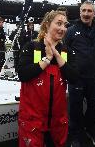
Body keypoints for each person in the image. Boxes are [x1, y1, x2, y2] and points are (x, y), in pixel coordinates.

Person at [17, 10, 78, 147]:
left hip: (57, 120)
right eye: (59, 23)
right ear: (47, 25)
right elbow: (23, 74)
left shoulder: (66, 51)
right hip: (33, 119)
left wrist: (57, 56)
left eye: (65, 25)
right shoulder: (31, 47)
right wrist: (47, 59)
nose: (63, 28)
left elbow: (74, 78)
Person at [65, 0, 95, 147]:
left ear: (94, 14)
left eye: (89, 11)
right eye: (83, 10)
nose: (86, 14)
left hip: (94, 78)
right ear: (80, 12)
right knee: (75, 109)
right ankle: (75, 136)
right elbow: (65, 52)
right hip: (76, 78)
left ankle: (93, 132)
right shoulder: (71, 30)